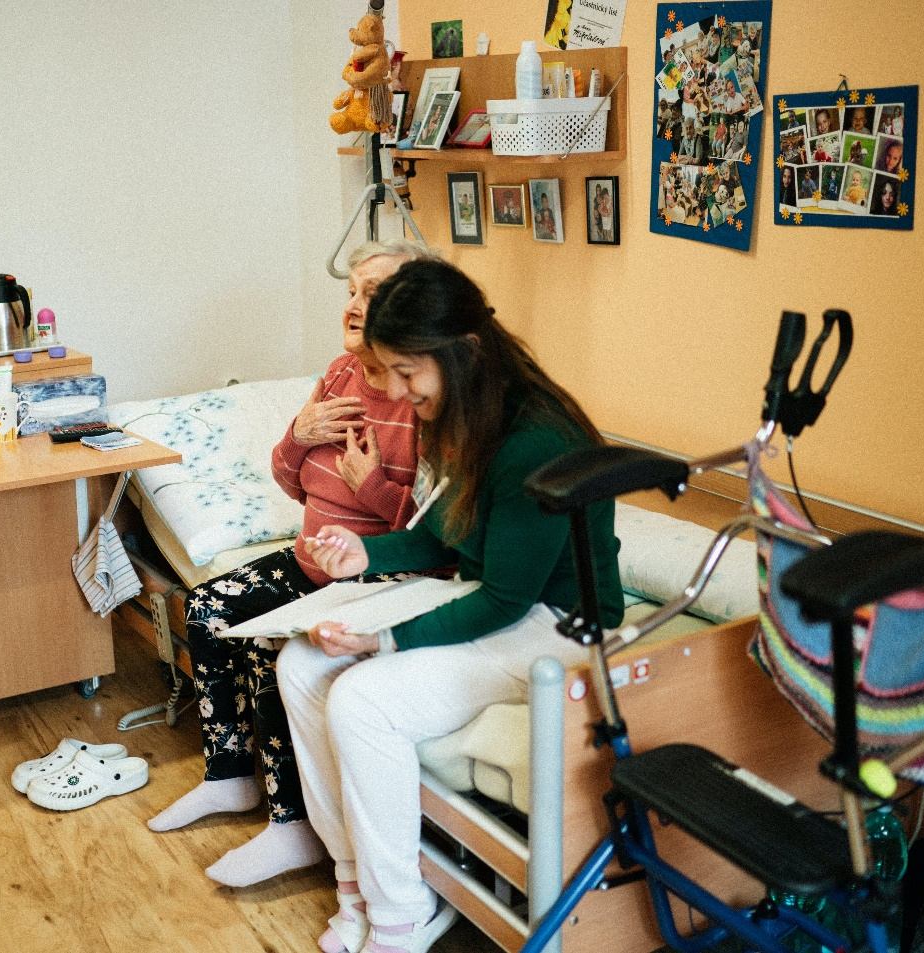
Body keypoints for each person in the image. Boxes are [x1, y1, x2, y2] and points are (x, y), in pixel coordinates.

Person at [275, 259, 623, 953]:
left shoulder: (534, 440)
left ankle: (401, 919)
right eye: (390, 372)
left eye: (407, 372)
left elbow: (501, 599)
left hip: (560, 628)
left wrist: (386, 639)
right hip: (500, 605)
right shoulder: (469, 411)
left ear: (462, 349)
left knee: (362, 699)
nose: (398, 392)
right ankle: (356, 886)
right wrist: (364, 556)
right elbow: (447, 528)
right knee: (299, 664)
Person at [146, 239, 436, 888]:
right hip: (310, 559)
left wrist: (372, 490)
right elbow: (292, 482)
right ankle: (227, 775)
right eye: (353, 291)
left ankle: (291, 822)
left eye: (375, 293)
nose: (356, 306)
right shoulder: (338, 373)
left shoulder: (418, 394)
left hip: (373, 575)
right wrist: (298, 435)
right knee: (207, 607)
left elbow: (432, 535)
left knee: (270, 647)